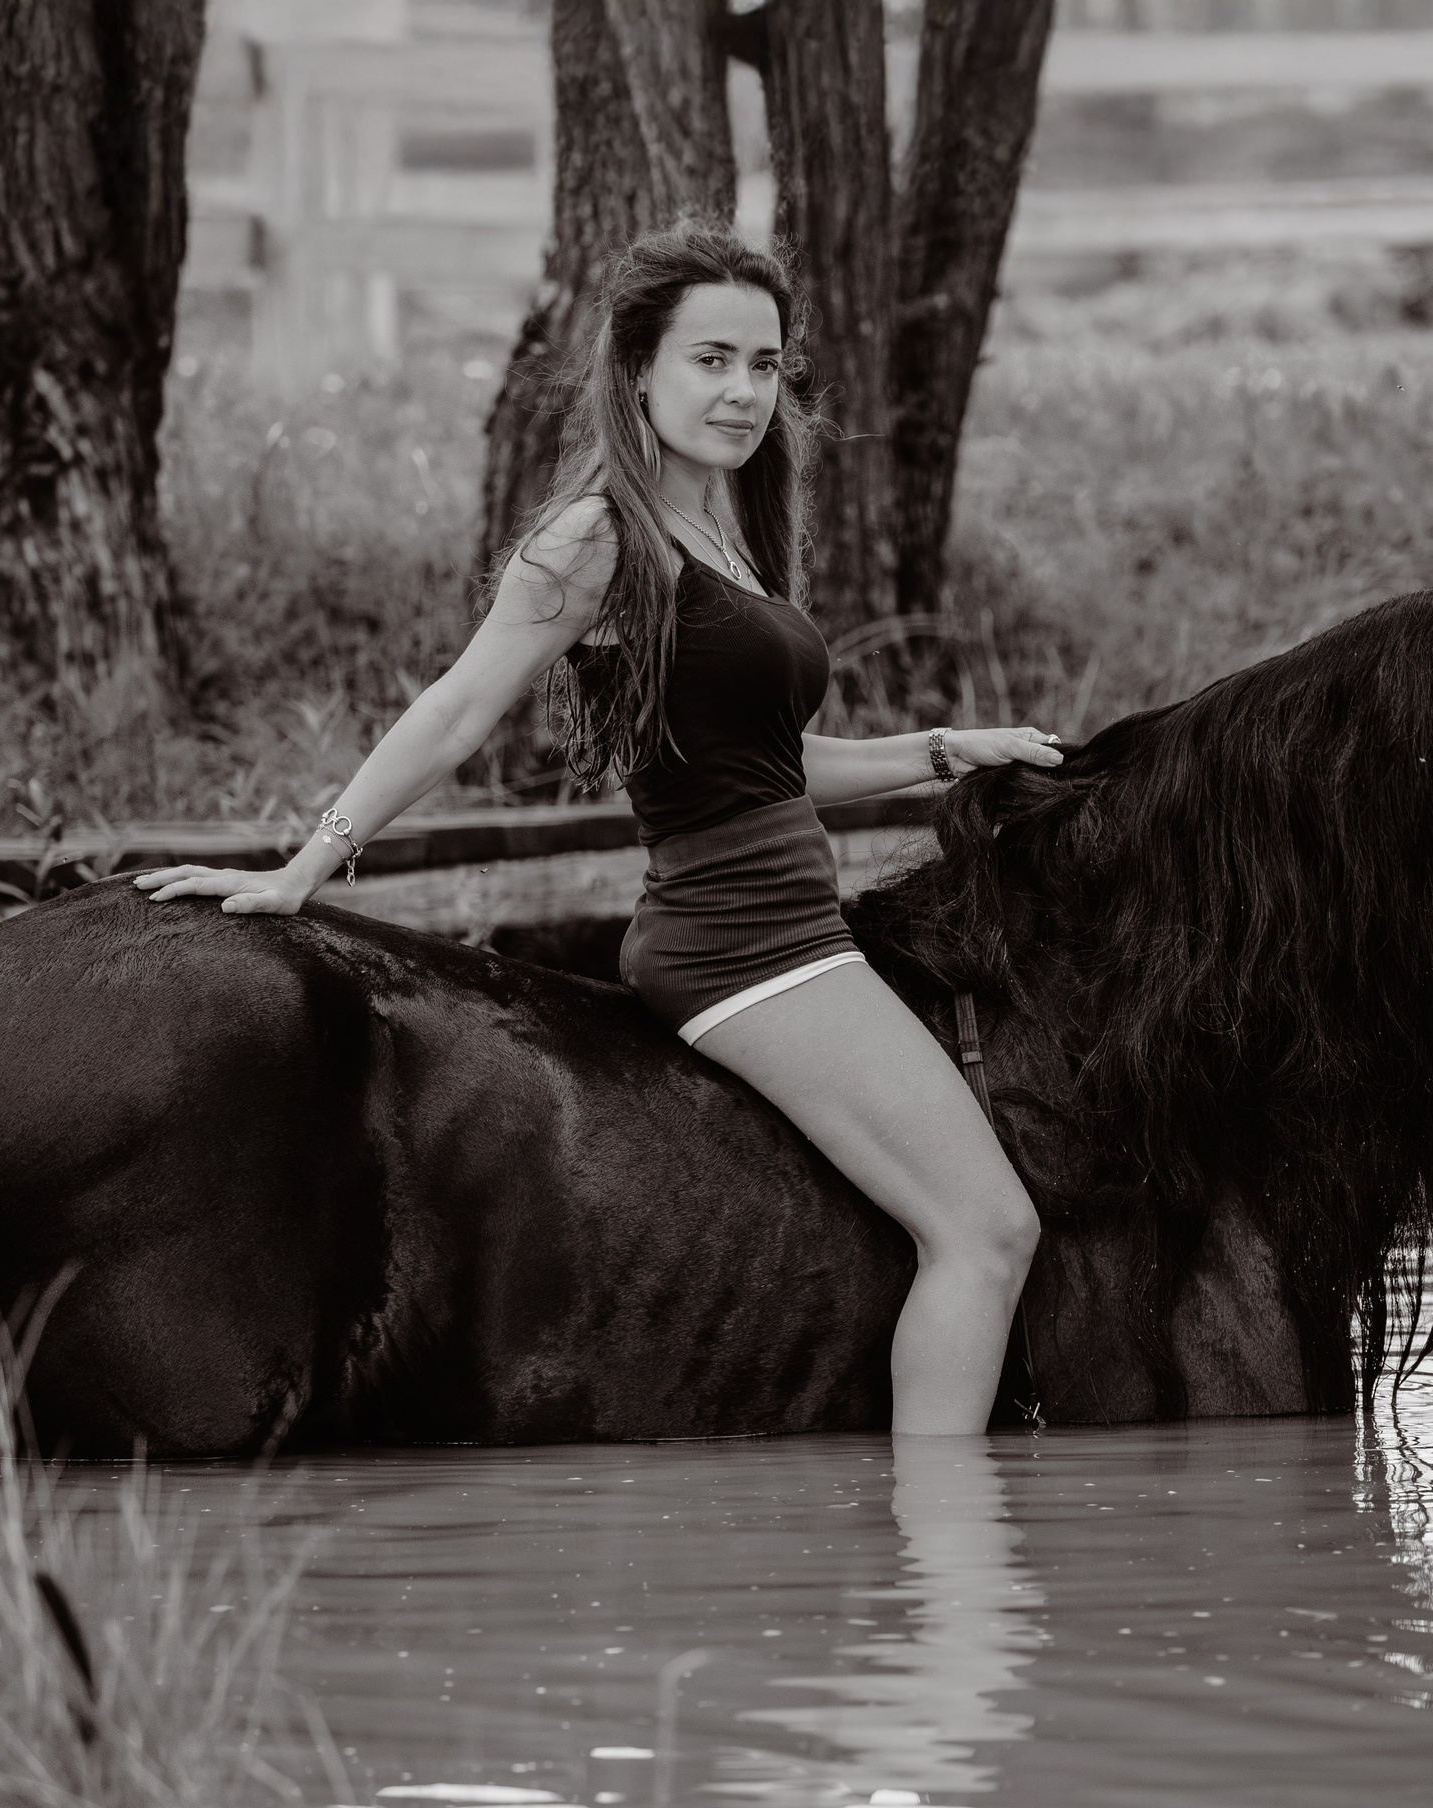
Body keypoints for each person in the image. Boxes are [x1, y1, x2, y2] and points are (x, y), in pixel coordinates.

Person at [136, 221, 1059, 1435]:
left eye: (765, 365)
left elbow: (769, 769)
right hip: (741, 949)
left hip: (789, 928)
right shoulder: (599, 539)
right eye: (711, 360)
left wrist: (944, 752)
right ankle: (944, 1567)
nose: (742, 392)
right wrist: (307, 864)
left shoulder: (729, 528)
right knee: (987, 1231)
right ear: (639, 371)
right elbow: (457, 707)